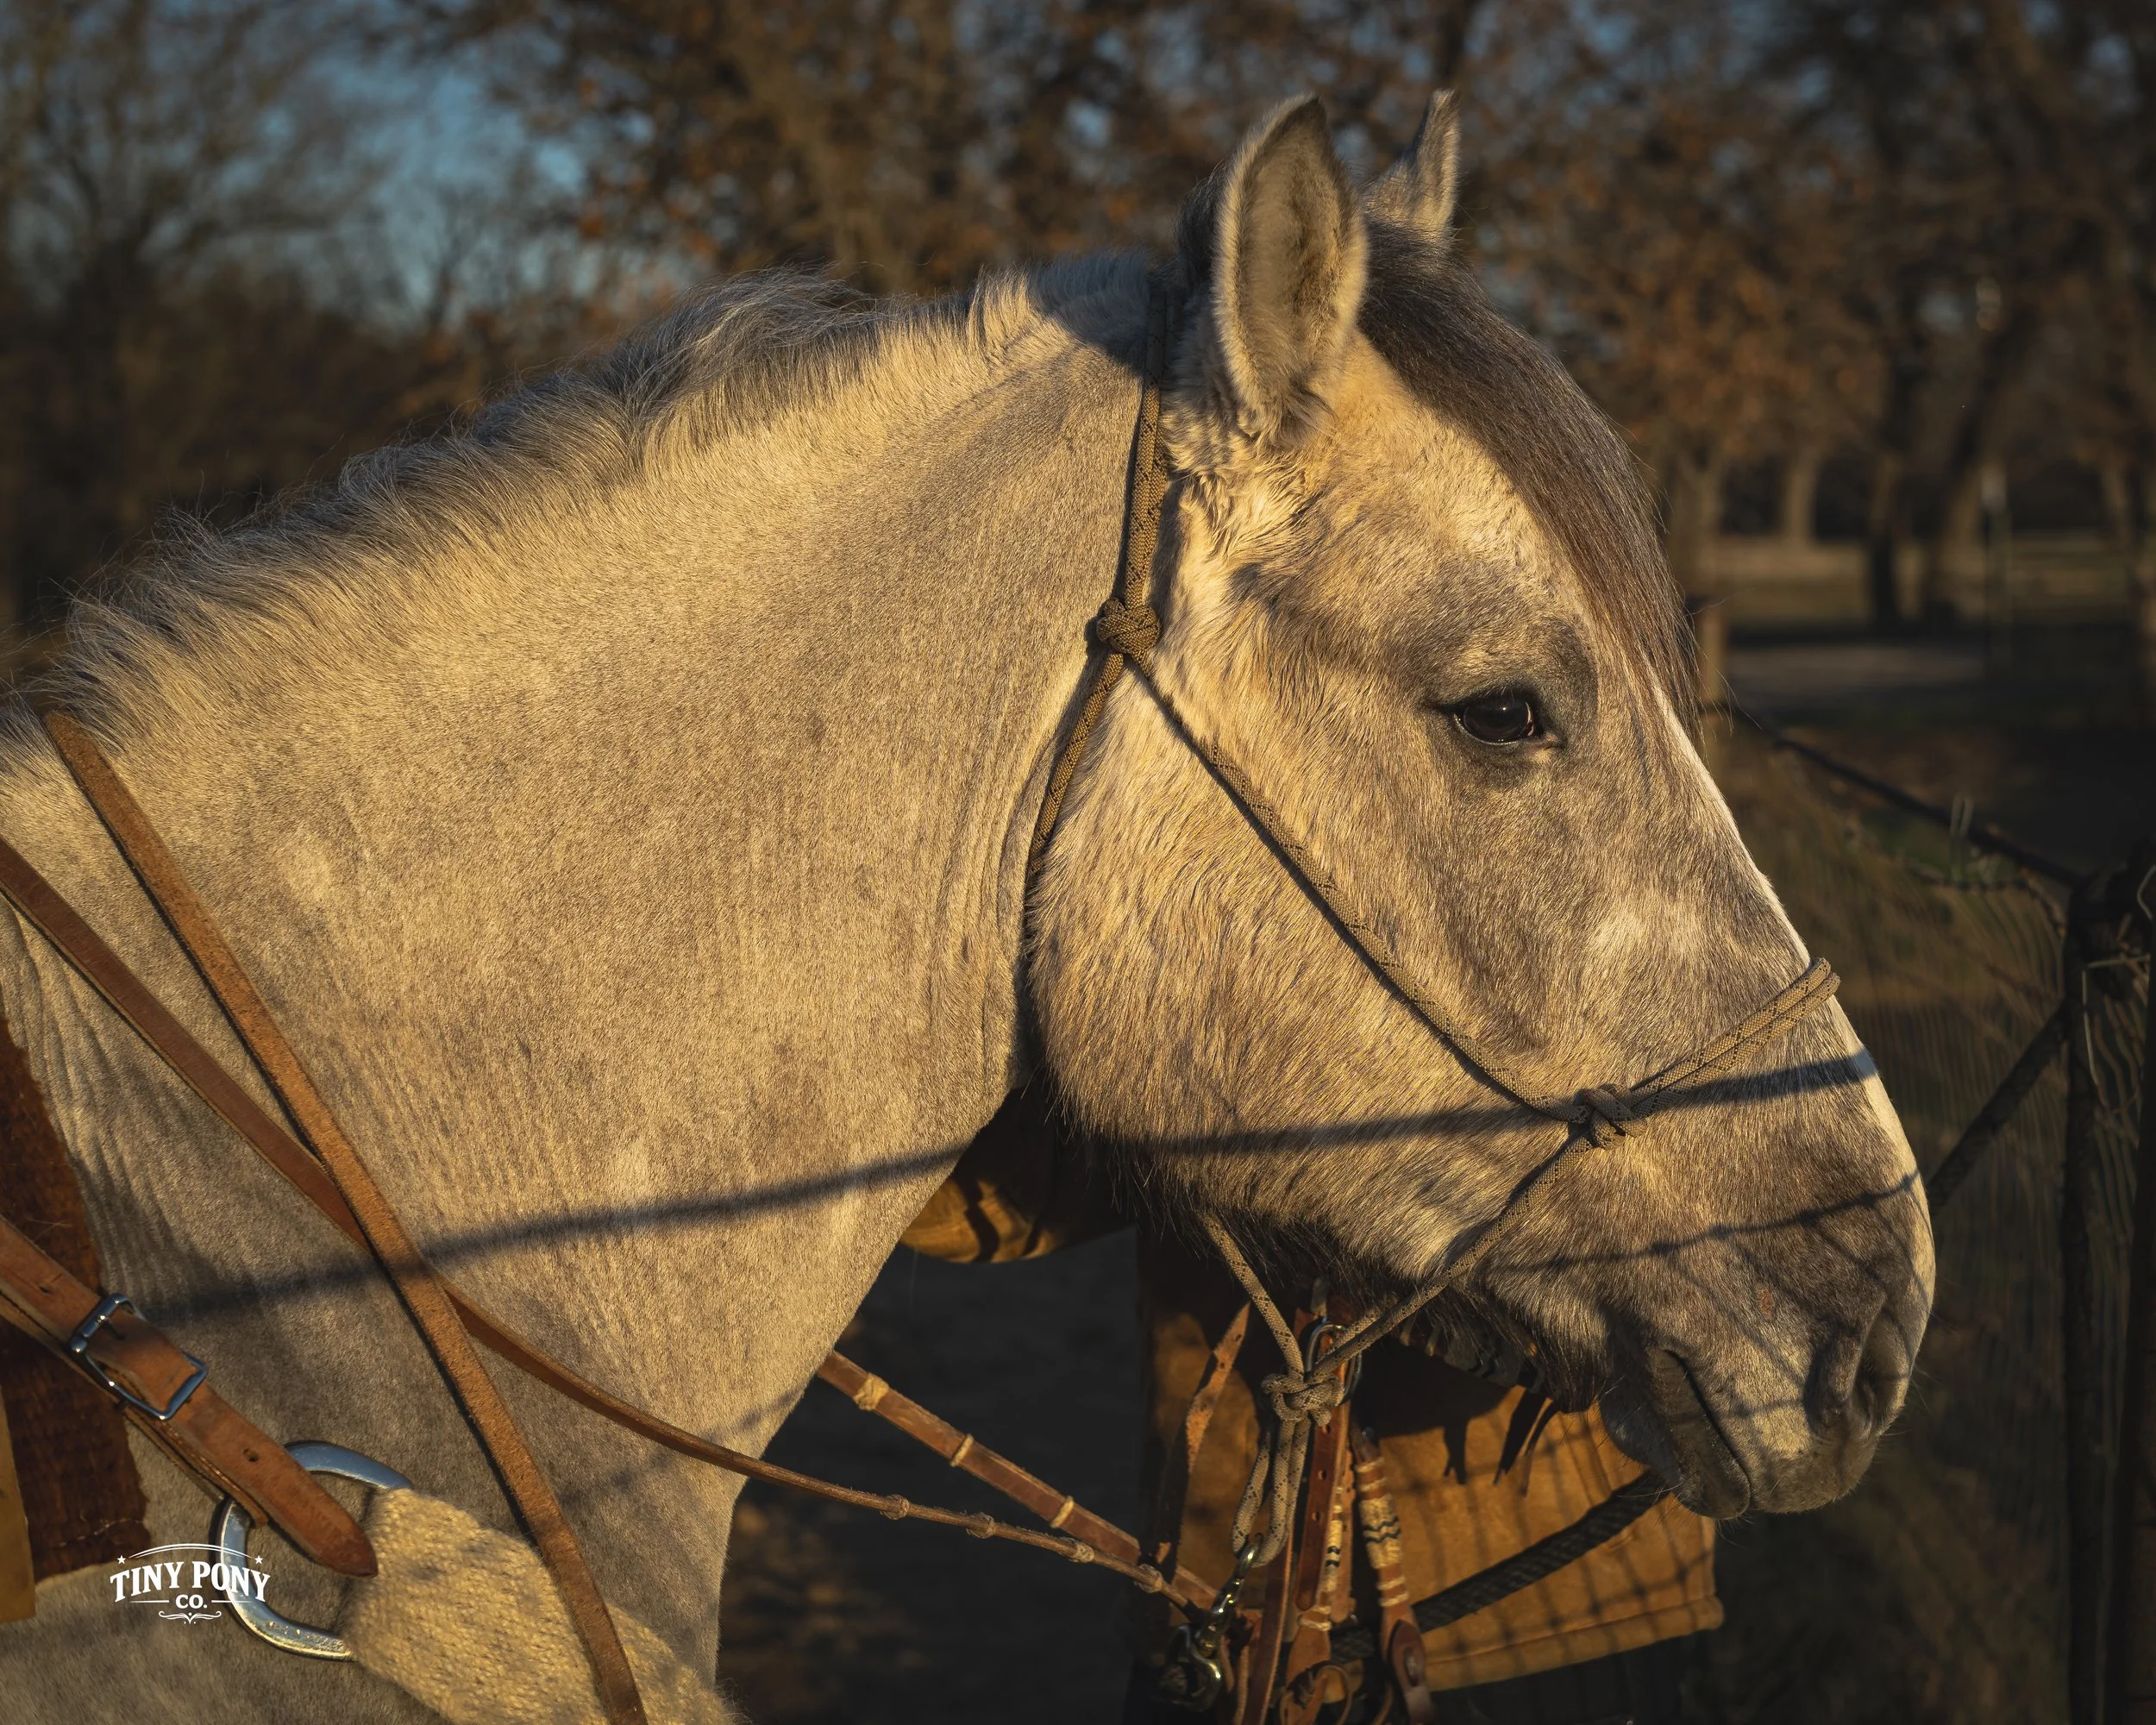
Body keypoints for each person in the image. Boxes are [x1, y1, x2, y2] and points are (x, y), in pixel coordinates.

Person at [899, 1101, 1717, 1725]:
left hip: (1549, 1604)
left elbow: (1697, 1202)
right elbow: (987, 1201)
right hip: (1225, 1609)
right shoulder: (1183, 902)